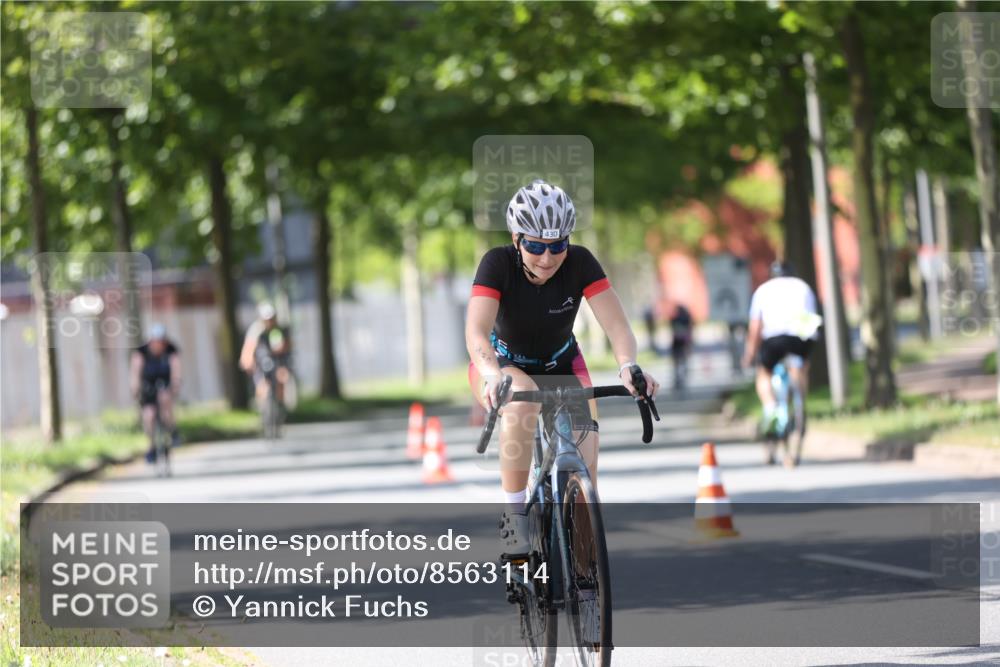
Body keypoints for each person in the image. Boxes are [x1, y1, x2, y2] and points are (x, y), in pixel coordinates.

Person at [465, 179, 659, 558]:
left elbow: (618, 326)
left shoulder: (581, 261)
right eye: (535, 246)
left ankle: (583, 573)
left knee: (586, 478)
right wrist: (491, 374)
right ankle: (515, 514)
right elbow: (475, 331)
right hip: (503, 365)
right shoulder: (497, 263)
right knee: (521, 404)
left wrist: (628, 366)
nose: (547, 257)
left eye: (558, 246)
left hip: (562, 363)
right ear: (516, 237)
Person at [741, 261, 822, 436]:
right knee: (800, 367)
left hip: (774, 338)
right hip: (800, 338)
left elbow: (755, 328)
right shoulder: (803, 287)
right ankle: (799, 403)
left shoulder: (763, 290)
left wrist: (750, 353)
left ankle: (771, 409)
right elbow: (812, 318)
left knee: (764, 374)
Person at [129, 323, 181, 463]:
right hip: (148, 386)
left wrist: (176, 384)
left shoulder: (170, 350)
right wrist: (135, 388)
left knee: (165, 398)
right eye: (156, 342)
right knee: (149, 416)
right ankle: (151, 446)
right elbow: (135, 372)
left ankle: (171, 429)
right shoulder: (141, 352)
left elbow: (176, 369)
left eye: (162, 342)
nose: (159, 345)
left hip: (164, 384)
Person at [240, 303, 292, 411]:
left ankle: (281, 405)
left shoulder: (278, 329)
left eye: (272, 318)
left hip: (277, 359)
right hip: (261, 360)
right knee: (261, 384)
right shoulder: (256, 329)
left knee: (281, 376)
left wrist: (281, 351)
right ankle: (263, 410)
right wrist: (247, 361)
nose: (270, 321)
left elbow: (287, 345)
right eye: (267, 319)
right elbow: (248, 348)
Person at [669, 303, 694, 390]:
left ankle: (678, 379)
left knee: (678, 362)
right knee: (682, 362)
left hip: (678, 343)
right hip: (682, 343)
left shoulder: (675, 319)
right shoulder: (686, 318)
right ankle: (680, 378)